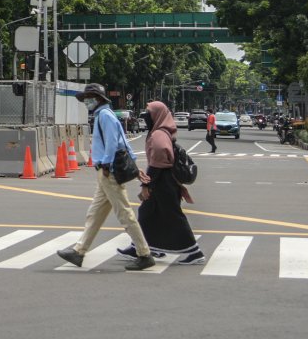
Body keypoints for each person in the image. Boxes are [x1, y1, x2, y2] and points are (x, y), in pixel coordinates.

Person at [56, 83, 156, 271]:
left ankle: (144, 254)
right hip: (105, 171)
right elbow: (124, 142)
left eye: (90, 97)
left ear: (99, 99)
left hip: (108, 171)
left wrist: (108, 165)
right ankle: (79, 251)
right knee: (95, 214)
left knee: (125, 213)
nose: (87, 101)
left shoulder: (104, 116)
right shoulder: (106, 115)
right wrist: (134, 166)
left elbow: (113, 144)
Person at [117, 101, 204, 265]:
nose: (146, 117)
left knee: (173, 216)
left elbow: (158, 164)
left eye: (149, 114)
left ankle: (194, 252)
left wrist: (146, 186)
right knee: (148, 214)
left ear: (156, 116)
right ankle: (143, 247)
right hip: (164, 181)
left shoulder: (158, 135)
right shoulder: (160, 132)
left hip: (164, 183)